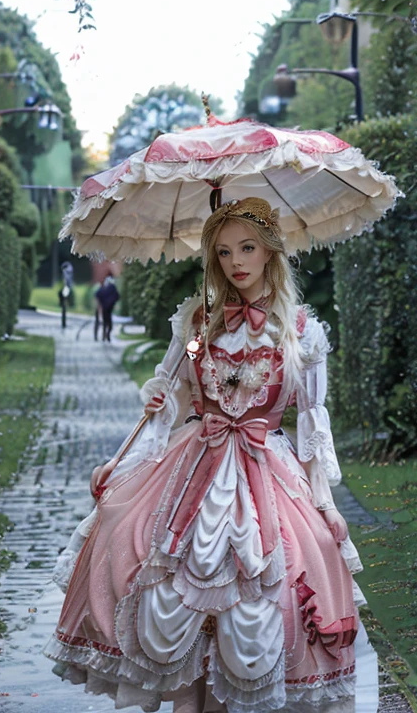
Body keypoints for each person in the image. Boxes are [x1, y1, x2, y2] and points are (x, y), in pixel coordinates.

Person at [45, 198, 378, 713]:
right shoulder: (199, 325)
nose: (235, 262)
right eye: (223, 252)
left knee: (261, 591)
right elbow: (176, 388)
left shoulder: (300, 333)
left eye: (246, 248)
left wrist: (326, 502)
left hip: (266, 469)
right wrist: (131, 447)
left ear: (270, 251)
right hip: (194, 464)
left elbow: (313, 421)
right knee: (168, 585)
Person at [94, 275, 120, 342]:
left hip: (107, 310)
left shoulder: (109, 289)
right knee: (104, 324)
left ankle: (104, 336)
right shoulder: (103, 290)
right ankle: (101, 337)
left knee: (105, 324)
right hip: (103, 309)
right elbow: (98, 300)